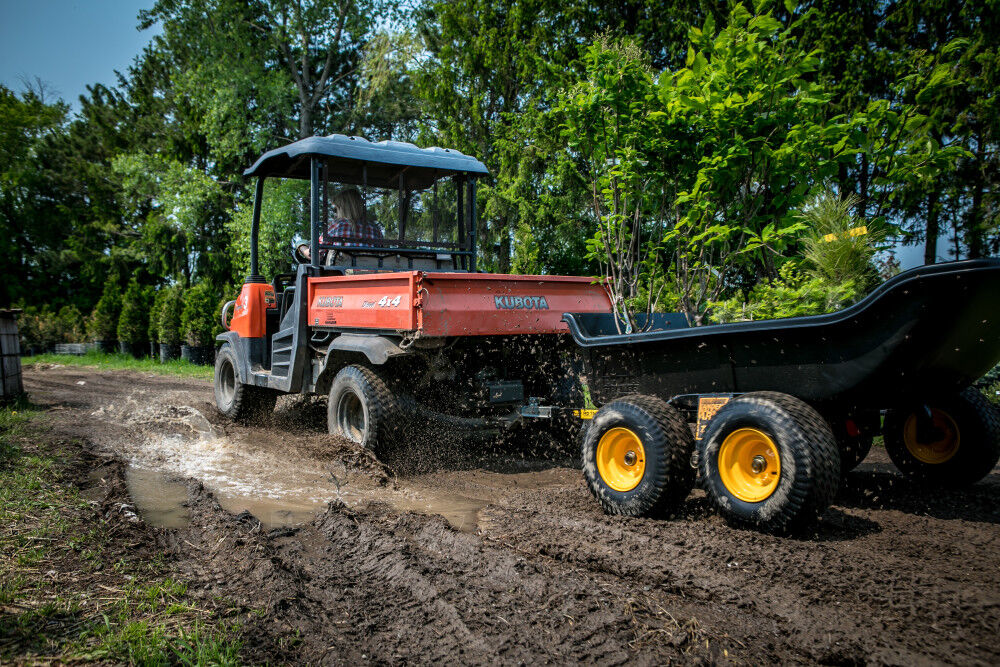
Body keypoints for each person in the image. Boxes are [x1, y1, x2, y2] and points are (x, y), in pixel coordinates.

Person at [296, 188, 384, 264]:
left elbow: (315, 254)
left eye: (335, 209)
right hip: (370, 275)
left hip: (341, 275)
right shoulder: (375, 229)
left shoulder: (336, 226)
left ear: (341, 208)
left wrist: (301, 246)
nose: (335, 213)